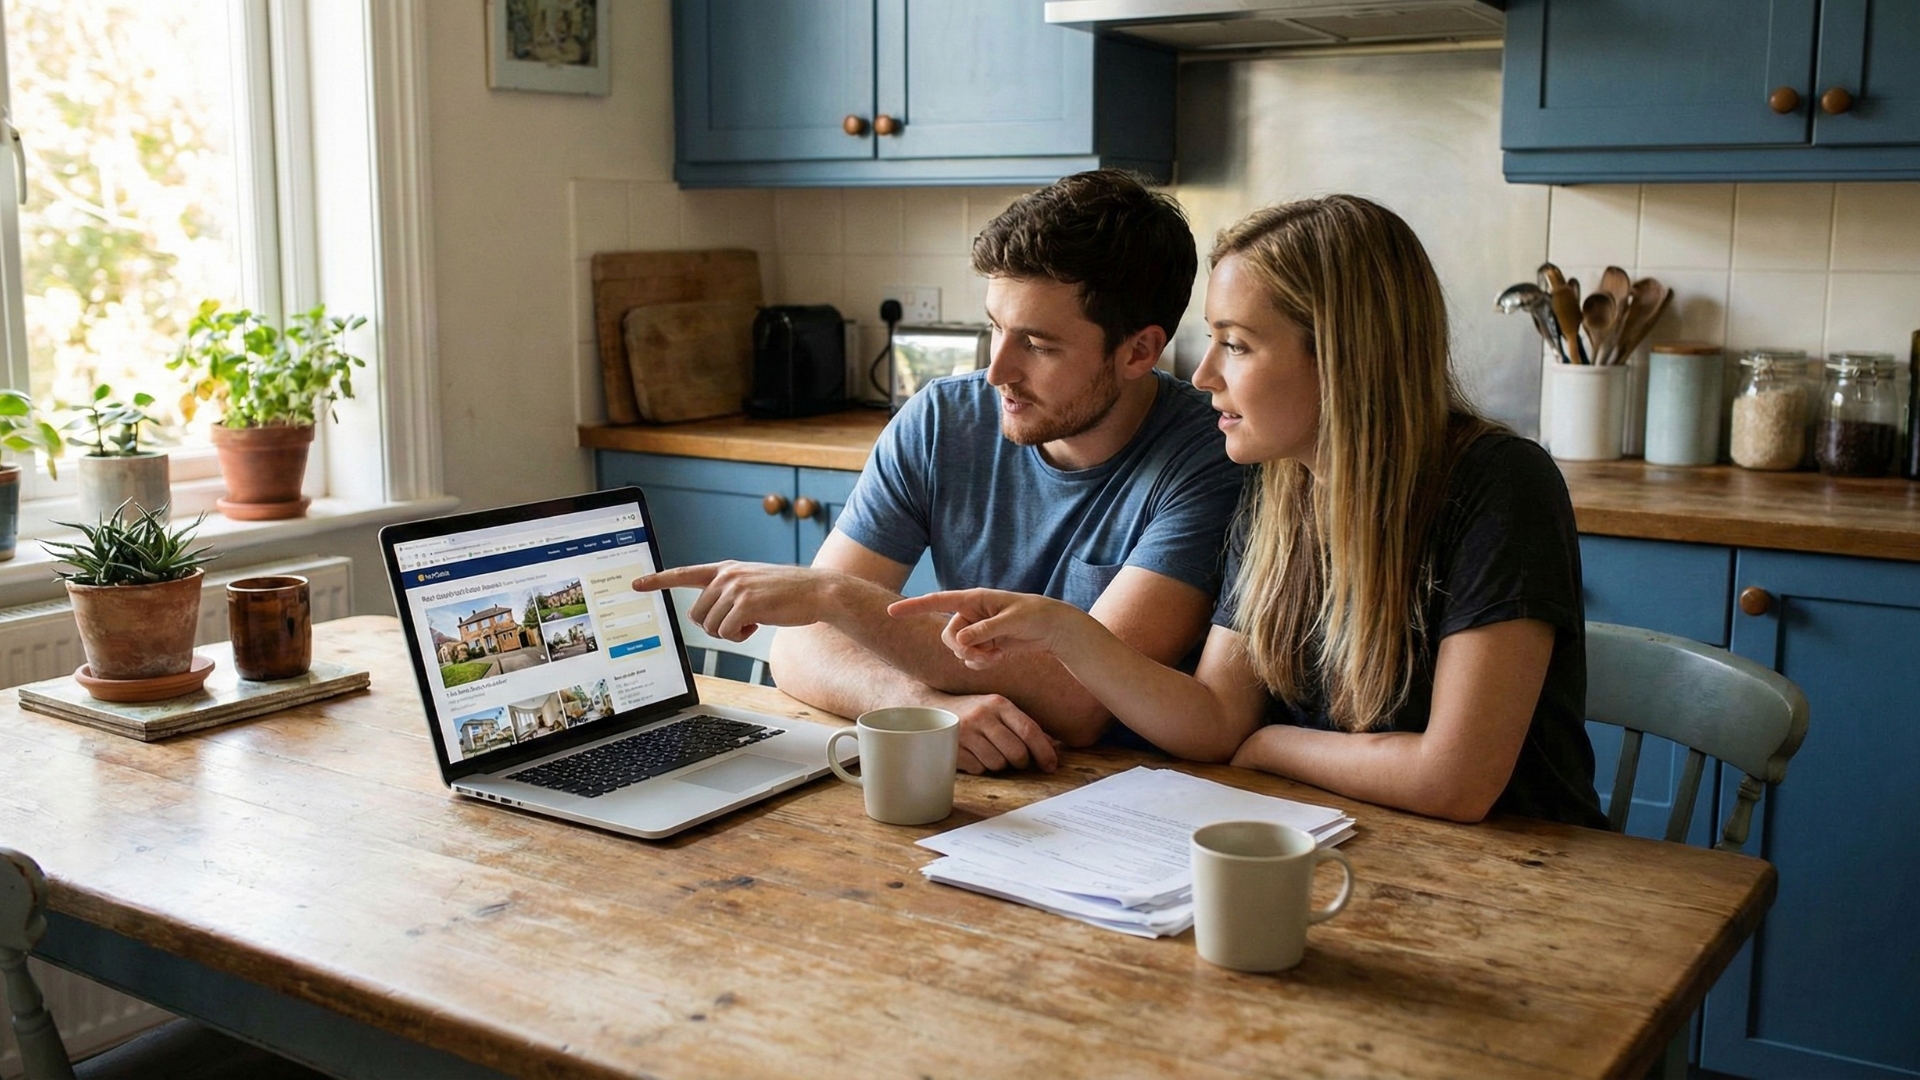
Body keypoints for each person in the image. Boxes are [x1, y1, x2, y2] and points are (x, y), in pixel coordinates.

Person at [890, 195, 1608, 827]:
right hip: (1351, 840)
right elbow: (1214, 719)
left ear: (1342, 355)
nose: (1203, 375)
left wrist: (1268, 746)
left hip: (1521, 874)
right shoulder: (1278, 486)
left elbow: (1455, 781)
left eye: (1235, 344)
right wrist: (1065, 633)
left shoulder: (1499, 484)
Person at [633, 170, 1246, 776]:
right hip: (978, 789)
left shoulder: (1209, 457)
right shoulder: (941, 420)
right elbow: (798, 646)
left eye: (1038, 345)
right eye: (995, 327)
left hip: (1133, 796)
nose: (995, 372)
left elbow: (1083, 701)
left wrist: (837, 597)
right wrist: (919, 707)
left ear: (1139, 350)